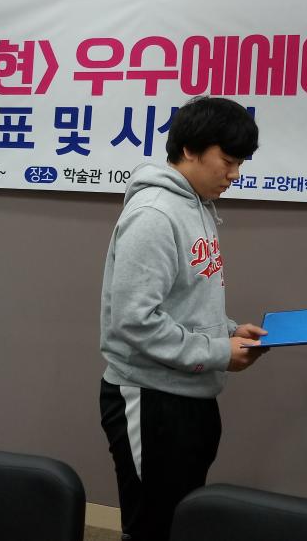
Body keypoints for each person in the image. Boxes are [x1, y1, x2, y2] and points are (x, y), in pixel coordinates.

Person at [99, 96, 267, 541]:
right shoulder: (155, 214)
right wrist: (218, 352)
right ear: (190, 149)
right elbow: (133, 321)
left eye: (240, 164)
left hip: (191, 392)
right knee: (152, 526)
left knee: (181, 522)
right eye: (228, 161)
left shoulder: (197, 205)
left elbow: (185, 301)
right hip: (151, 398)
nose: (235, 175)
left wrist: (228, 331)